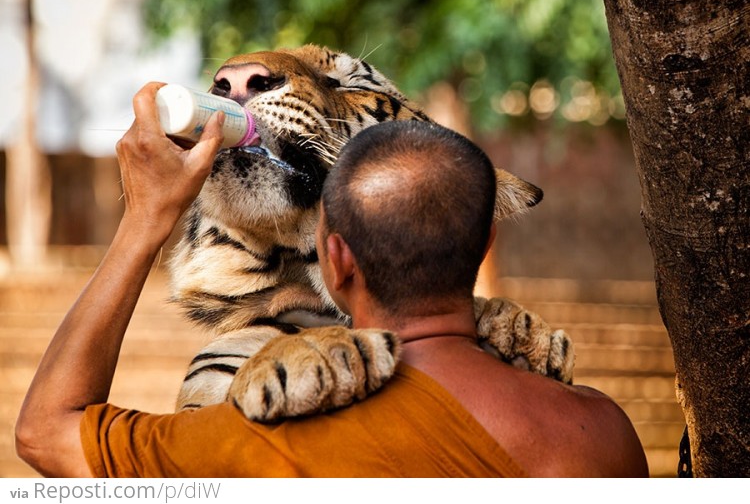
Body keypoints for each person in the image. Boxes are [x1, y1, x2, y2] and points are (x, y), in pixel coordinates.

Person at [15, 83, 649, 477]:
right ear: (485, 244)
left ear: (336, 259)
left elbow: (43, 434)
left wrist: (143, 220)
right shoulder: (603, 435)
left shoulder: (255, 449)